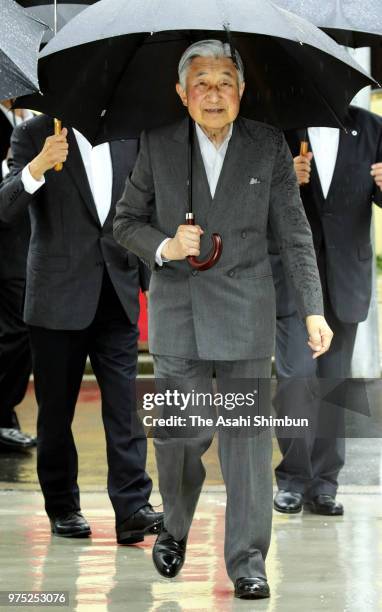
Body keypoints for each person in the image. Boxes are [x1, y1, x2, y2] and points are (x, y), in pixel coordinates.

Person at [113, 40, 333, 600]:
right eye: (202, 83)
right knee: (181, 439)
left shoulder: (268, 147)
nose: (214, 93)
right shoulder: (159, 145)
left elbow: (295, 233)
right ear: (182, 94)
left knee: (248, 444)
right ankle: (176, 527)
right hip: (178, 315)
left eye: (225, 82)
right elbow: (125, 222)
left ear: (241, 91)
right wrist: (165, 244)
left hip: (245, 315)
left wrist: (313, 309)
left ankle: (248, 560)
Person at [0, 114, 163, 542]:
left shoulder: (130, 134)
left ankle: (132, 507)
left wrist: (153, 278)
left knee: (125, 409)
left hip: (118, 291)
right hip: (57, 300)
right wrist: (37, 166)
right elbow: (5, 208)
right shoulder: (33, 134)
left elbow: (143, 210)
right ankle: (63, 506)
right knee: (57, 413)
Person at [271, 106, 382, 517]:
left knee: (334, 384)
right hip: (294, 281)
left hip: (345, 280)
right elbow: (256, 200)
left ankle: (325, 484)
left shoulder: (372, 129)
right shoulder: (279, 129)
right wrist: (286, 180)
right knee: (296, 379)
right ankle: (293, 479)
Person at [0, 100, 35, 451]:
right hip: (7, 244)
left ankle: (6, 414)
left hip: (27, 240)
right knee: (15, 332)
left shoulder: (33, 119)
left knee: (19, 332)